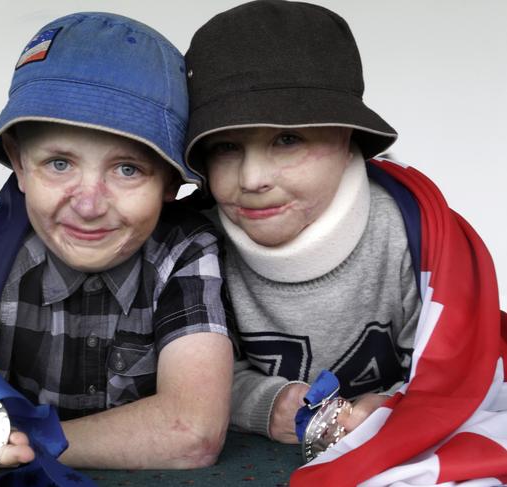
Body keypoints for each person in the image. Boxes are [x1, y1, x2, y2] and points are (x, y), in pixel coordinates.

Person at [0, 11, 233, 487]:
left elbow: (192, 430)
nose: (91, 204)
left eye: (128, 170)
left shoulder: (184, 250)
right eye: (59, 163)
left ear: (171, 181)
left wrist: (14, 440)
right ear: (18, 162)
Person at [183, 1, 507, 486]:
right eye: (226, 147)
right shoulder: (195, 245)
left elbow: (450, 369)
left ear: (349, 137)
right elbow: (195, 375)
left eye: (287, 140)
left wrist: (392, 405)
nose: (252, 178)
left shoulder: (413, 236)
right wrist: (269, 402)